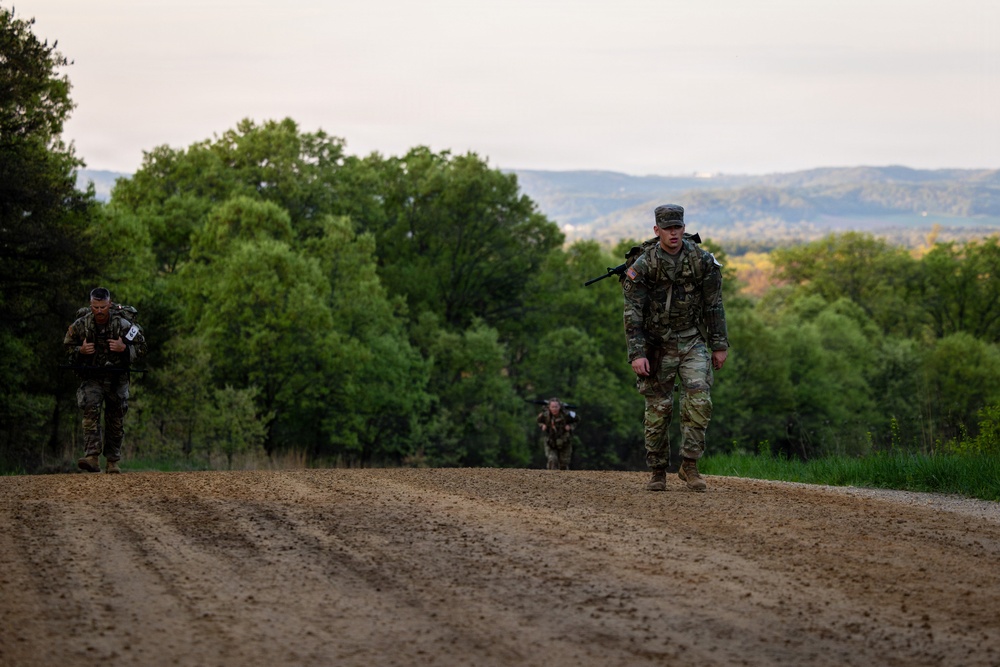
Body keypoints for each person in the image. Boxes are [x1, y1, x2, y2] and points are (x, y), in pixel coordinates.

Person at [622, 204, 729, 492]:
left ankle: (689, 465)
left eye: (677, 227)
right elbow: (632, 312)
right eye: (667, 228)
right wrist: (637, 353)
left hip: (692, 339)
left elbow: (714, 304)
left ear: (684, 228)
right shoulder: (644, 264)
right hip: (657, 345)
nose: (673, 233)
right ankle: (658, 470)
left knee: (699, 399)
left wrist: (719, 345)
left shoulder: (701, 260)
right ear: (657, 231)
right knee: (659, 409)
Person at [63, 287, 147, 473]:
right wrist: (80, 351)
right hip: (92, 376)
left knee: (116, 418)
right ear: (90, 305)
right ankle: (92, 457)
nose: (99, 311)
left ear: (109, 304)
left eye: (102, 307)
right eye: (95, 307)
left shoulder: (124, 325)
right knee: (89, 409)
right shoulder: (81, 325)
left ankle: (112, 461)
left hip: (117, 377)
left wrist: (124, 348)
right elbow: (67, 346)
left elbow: (142, 347)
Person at [536, 398, 578, 470]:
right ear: (549, 407)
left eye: (556, 407)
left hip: (565, 442)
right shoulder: (545, 415)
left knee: (564, 464)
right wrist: (542, 425)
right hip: (550, 442)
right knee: (552, 460)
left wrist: (570, 426)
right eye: (552, 407)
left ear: (559, 407)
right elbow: (539, 421)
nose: (554, 409)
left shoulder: (566, 414)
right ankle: (552, 479)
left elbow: (577, 420)